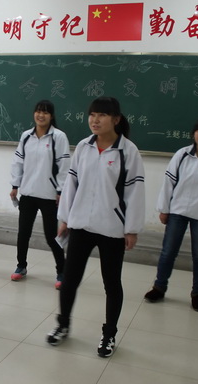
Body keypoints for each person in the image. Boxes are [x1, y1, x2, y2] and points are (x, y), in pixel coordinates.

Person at [46, 97, 145, 358]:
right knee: (70, 279)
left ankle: (109, 333)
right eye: (92, 114)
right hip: (81, 225)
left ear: (116, 119)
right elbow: (71, 185)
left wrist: (131, 228)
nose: (95, 120)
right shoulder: (84, 146)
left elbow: (135, 192)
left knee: (111, 283)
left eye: (102, 115)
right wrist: (65, 218)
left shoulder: (128, 151)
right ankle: (62, 324)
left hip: (112, 227)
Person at [144, 117, 198, 312]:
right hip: (177, 211)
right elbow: (168, 183)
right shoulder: (182, 155)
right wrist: (164, 209)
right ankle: (159, 287)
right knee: (168, 252)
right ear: (193, 134)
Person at [9, 100, 70, 289]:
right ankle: (21, 266)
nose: (40, 115)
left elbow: (64, 166)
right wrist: (15, 185)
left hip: (49, 194)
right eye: (38, 111)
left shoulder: (58, 137)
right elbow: (18, 162)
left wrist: (60, 190)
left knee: (52, 236)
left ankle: (62, 271)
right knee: (23, 233)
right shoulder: (26, 136)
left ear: (51, 116)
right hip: (28, 192)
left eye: (45, 112)